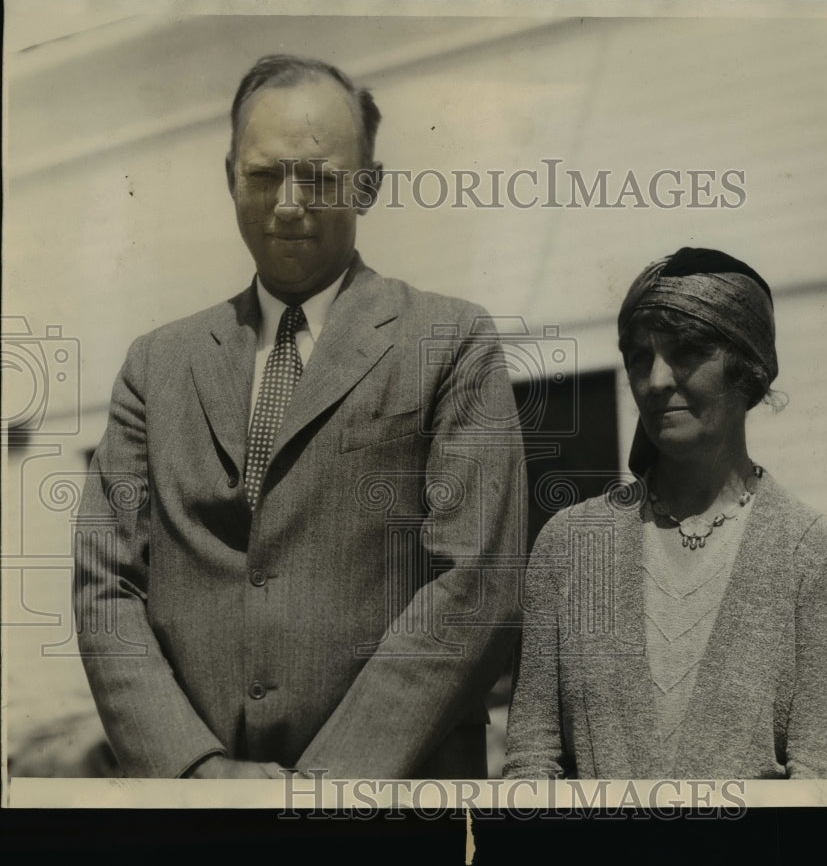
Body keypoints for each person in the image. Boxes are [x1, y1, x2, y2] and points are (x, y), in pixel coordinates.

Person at [74, 55, 525, 779]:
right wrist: (196, 771)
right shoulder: (155, 366)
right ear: (229, 178)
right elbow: (107, 587)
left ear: (369, 186)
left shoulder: (452, 342)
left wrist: (324, 789)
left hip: (391, 809)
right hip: (199, 822)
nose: (288, 203)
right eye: (262, 174)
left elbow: (477, 583)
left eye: (318, 175)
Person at [504, 247, 827, 779]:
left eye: (686, 351)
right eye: (638, 357)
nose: (654, 381)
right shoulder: (570, 544)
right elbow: (532, 763)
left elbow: (823, 788)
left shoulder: (818, 557)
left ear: (749, 369)